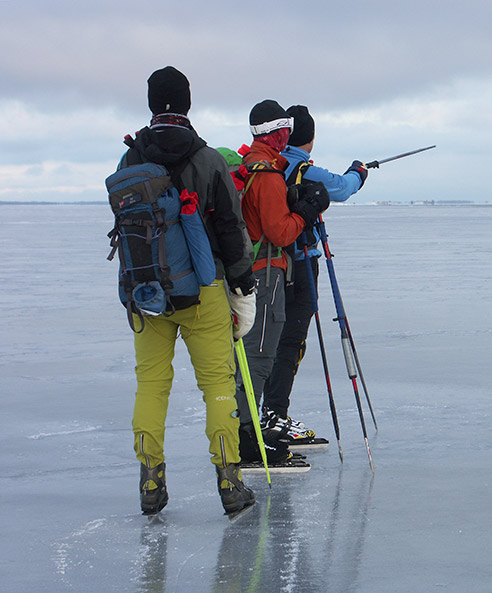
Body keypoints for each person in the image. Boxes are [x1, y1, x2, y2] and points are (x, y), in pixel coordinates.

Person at [119, 66, 257, 516]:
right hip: (204, 288)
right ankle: (229, 481)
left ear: (151, 103)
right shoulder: (207, 159)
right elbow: (231, 228)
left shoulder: (130, 158)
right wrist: (242, 281)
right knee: (217, 384)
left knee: (151, 386)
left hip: (147, 295)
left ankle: (151, 480)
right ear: (188, 103)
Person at [260, 104, 367, 447]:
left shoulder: (275, 164)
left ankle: (265, 412)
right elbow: (344, 188)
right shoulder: (304, 168)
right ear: (310, 137)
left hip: (269, 265)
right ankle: (274, 414)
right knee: (292, 340)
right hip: (300, 263)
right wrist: (360, 171)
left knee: (269, 340)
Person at [234, 100, 330, 470]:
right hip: (266, 273)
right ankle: (249, 441)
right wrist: (305, 212)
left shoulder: (247, 166)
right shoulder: (268, 174)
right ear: (278, 133)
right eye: (285, 130)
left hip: (246, 272)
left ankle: (247, 431)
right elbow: (280, 231)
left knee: (249, 356)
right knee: (259, 357)